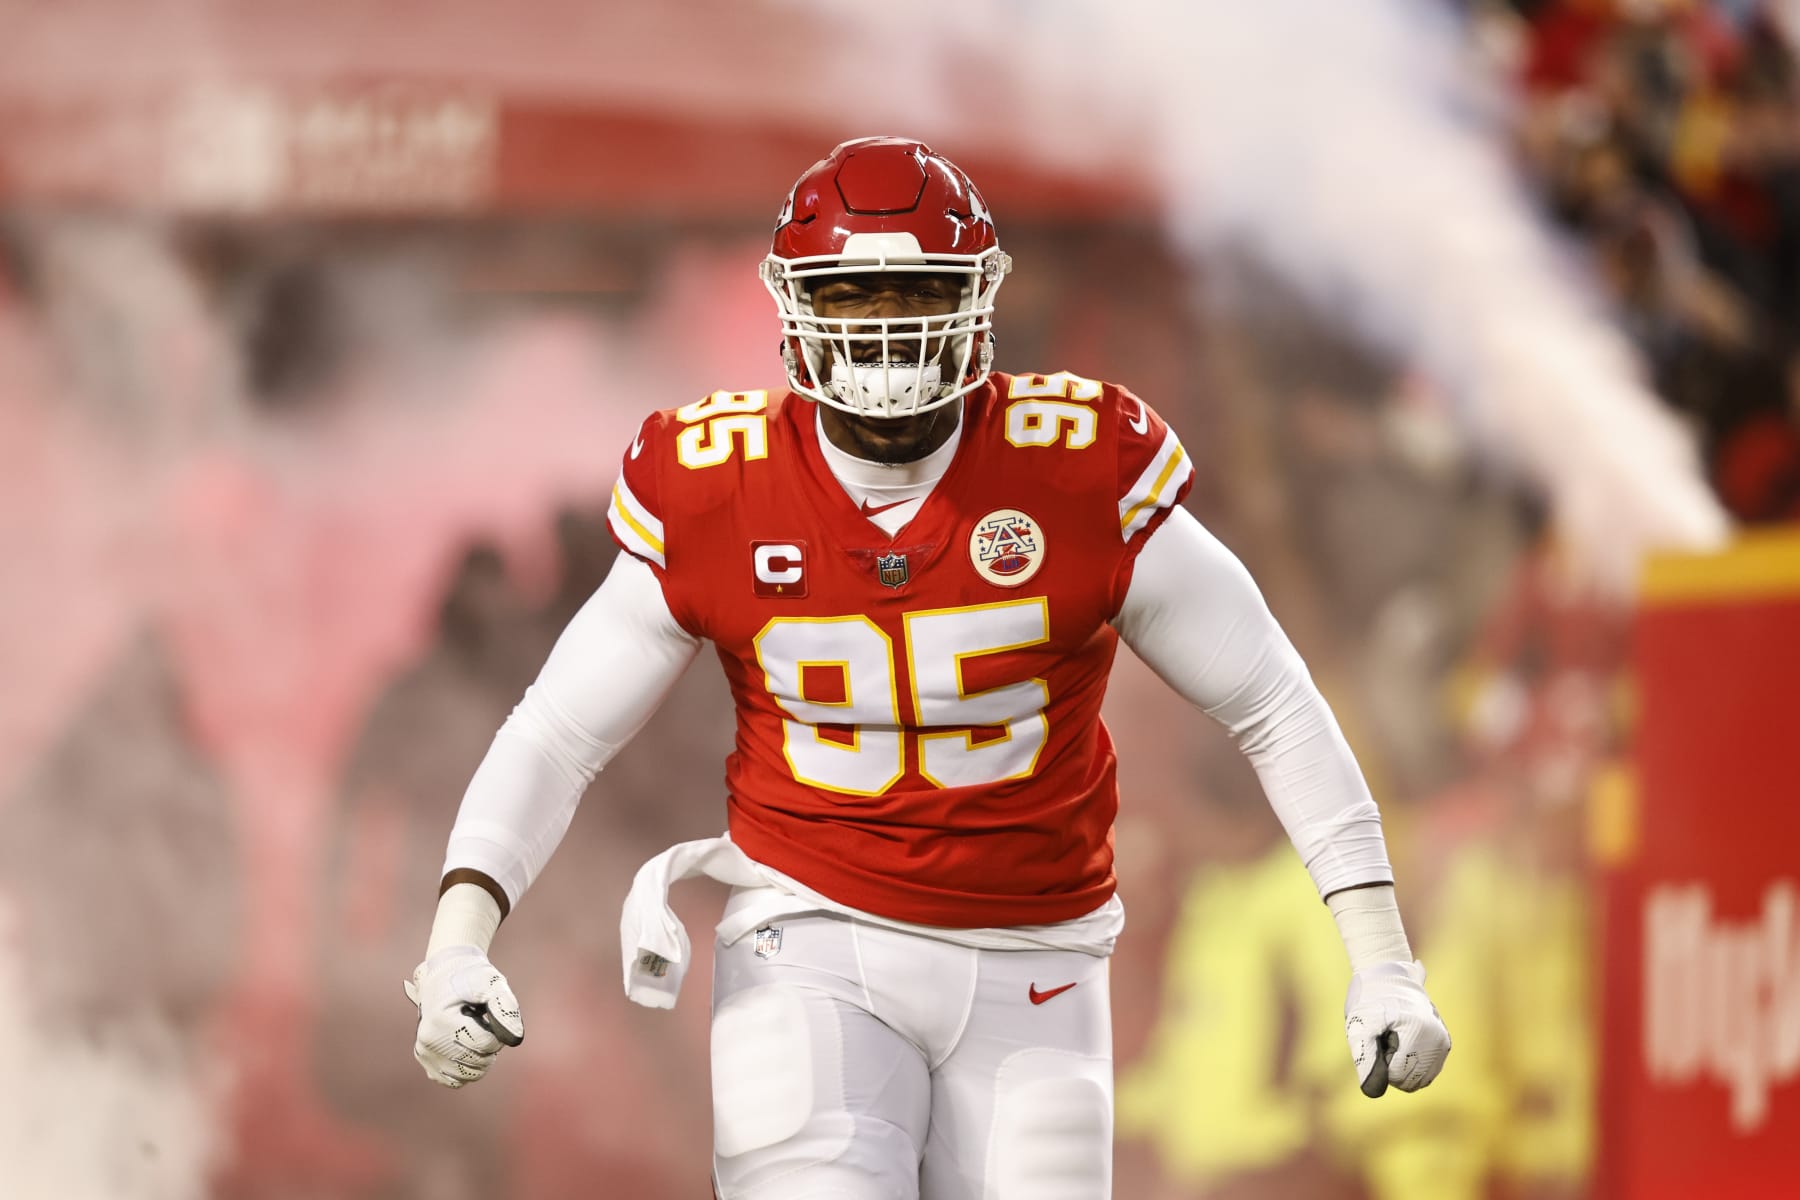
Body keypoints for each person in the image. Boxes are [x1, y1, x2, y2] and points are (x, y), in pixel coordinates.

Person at [406, 136, 1452, 1199]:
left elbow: (1272, 702)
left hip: (1037, 955)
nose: (889, 325)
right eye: (854, 295)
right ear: (798, 308)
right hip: (809, 938)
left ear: (978, 297)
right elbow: (558, 733)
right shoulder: (720, 483)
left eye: (916, 289)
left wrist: (1383, 960)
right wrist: (455, 944)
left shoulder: (1079, 466)